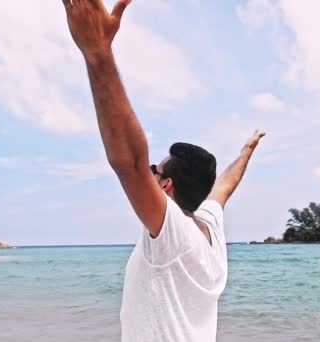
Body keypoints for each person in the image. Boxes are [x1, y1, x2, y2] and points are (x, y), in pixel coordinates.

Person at [62, 1, 266, 341]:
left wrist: (97, 52)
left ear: (167, 185)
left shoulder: (171, 234)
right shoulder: (208, 229)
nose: (149, 174)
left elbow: (129, 163)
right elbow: (224, 188)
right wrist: (245, 152)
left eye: (155, 171)